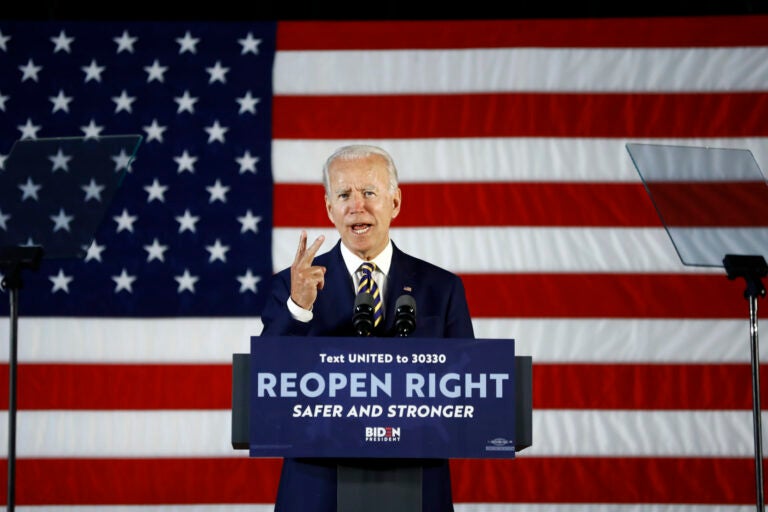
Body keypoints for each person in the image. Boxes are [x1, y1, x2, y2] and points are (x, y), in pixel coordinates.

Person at [260, 144, 475, 512]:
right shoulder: (292, 287)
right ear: (330, 208)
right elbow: (266, 383)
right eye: (344, 194)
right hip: (318, 487)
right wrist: (299, 307)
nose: (356, 205)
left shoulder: (442, 288)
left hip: (414, 483)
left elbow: (469, 391)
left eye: (369, 193)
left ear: (395, 202)